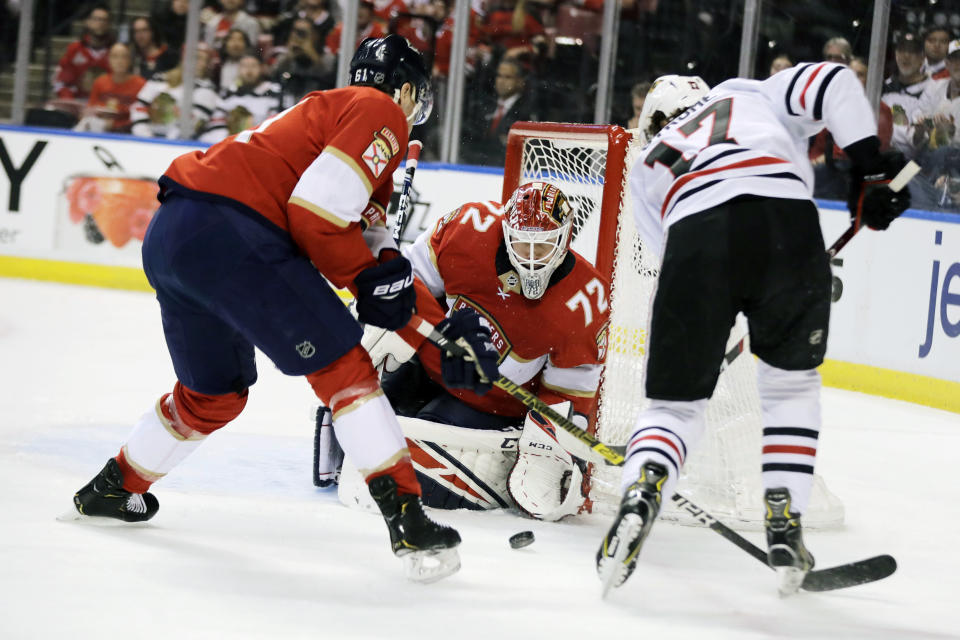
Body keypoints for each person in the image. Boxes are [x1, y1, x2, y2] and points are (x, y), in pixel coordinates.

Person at [68, 35, 488, 584]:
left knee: (213, 395)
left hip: (175, 235)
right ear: (406, 90)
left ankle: (113, 486)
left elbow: (375, 250)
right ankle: (406, 517)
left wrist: (433, 324)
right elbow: (315, 216)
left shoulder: (333, 118)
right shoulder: (379, 111)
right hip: (235, 235)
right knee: (345, 370)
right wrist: (368, 282)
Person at [596, 67, 910, 596]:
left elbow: (675, 261)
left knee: (672, 409)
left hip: (696, 237)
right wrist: (870, 168)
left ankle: (643, 487)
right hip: (785, 222)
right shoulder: (751, 93)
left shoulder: (651, 163)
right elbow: (835, 82)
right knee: (790, 390)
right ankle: (785, 522)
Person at [336, 182, 609, 520]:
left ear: (566, 238)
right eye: (522, 245)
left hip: (494, 403)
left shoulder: (584, 299)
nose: (532, 258)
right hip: (432, 364)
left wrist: (552, 438)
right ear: (506, 232)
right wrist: (442, 337)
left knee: (413, 447)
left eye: (544, 247)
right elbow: (405, 282)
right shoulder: (469, 227)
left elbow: (570, 393)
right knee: (376, 331)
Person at [130, 47, 220, 139]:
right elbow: (139, 106)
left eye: (201, 59)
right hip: (147, 137)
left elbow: (194, 123)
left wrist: (168, 142)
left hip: (176, 143)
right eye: (193, 57)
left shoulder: (207, 90)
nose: (196, 62)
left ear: (208, 64)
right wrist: (143, 135)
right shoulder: (160, 78)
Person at [462, 58, 537, 166]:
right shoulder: (484, 106)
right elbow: (470, 139)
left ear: (520, 81)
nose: (501, 80)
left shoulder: (526, 113)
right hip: (476, 167)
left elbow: (527, 154)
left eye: (507, 77)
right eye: (499, 76)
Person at [200, 53, 282, 142]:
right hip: (232, 144)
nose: (249, 70)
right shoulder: (229, 93)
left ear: (262, 68)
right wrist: (230, 139)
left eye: (253, 66)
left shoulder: (274, 91)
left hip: (260, 144)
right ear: (238, 69)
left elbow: (275, 126)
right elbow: (216, 122)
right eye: (244, 66)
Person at [882, 32, 935, 159]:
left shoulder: (933, 89)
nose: (906, 56)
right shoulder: (883, 87)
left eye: (912, 52)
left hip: (915, 164)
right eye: (901, 50)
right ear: (895, 54)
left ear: (922, 58)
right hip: (880, 157)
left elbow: (925, 136)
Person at [77, 42, 146, 133]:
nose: (119, 61)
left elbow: (142, 114)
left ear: (130, 60)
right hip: (99, 125)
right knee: (87, 122)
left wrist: (115, 124)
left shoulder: (140, 84)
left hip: (127, 130)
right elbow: (91, 107)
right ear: (109, 60)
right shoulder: (100, 82)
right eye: (115, 57)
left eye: (124, 57)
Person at [52, 4, 115, 100]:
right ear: (87, 22)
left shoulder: (116, 52)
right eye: (96, 19)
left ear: (109, 24)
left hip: (105, 104)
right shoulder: (74, 49)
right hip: (76, 102)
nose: (100, 23)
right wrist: (71, 103)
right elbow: (61, 82)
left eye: (104, 20)